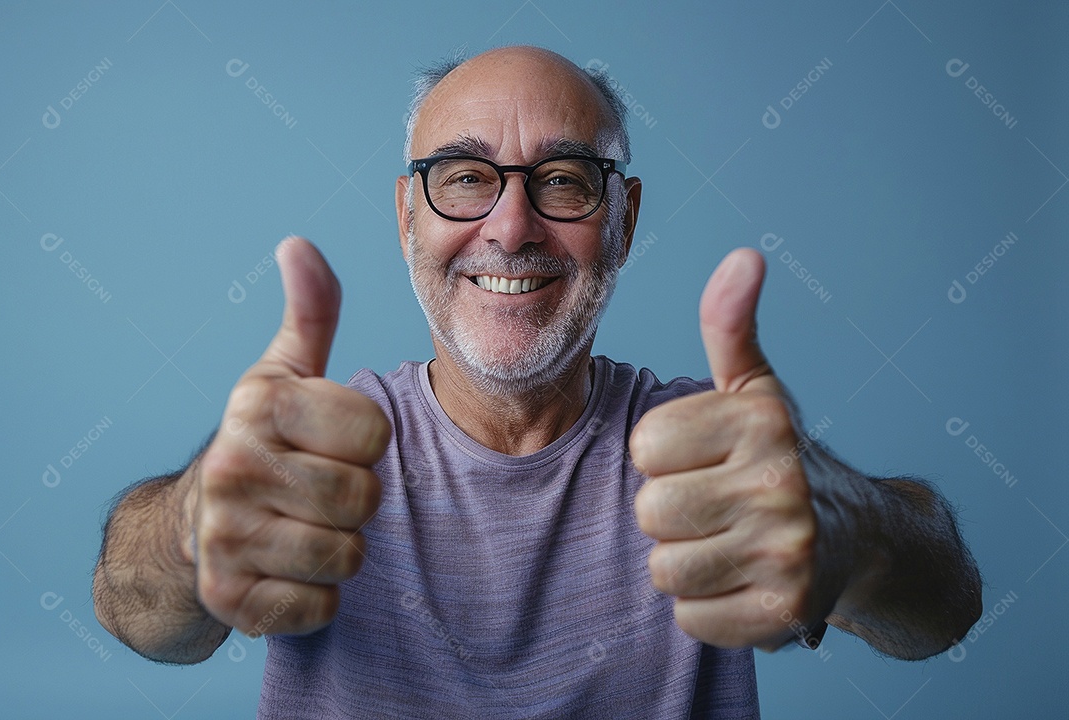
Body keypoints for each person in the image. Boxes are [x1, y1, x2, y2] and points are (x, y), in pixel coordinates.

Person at [93, 46, 981, 718]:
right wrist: (188, 529)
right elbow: (138, 620)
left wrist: (855, 533)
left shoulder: (714, 457)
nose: (510, 227)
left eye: (563, 180)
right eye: (466, 178)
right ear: (408, 216)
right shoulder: (312, 454)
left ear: (623, 220)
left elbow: (943, 614)